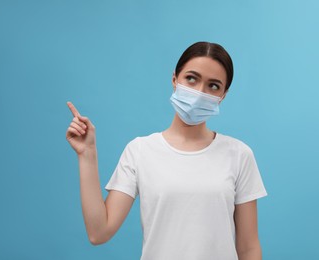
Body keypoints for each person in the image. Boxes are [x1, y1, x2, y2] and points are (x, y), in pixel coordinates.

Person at [66, 41, 268, 260]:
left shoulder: (239, 155)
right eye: (191, 78)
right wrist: (87, 154)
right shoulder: (140, 151)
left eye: (213, 86)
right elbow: (99, 232)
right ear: (174, 80)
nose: (200, 93)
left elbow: (248, 248)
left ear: (223, 95)